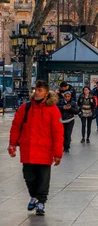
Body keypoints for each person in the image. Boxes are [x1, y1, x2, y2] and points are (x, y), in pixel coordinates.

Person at [8, 80, 63, 216]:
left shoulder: (53, 110)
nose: (37, 93)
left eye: (40, 90)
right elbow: (16, 126)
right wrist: (12, 144)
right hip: (28, 149)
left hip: (45, 150)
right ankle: (34, 196)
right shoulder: (25, 108)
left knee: (43, 179)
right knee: (29, 177)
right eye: (36, 90)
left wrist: (58, 153)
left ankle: (41, 202)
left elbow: (58, 132)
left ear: (46, 93)